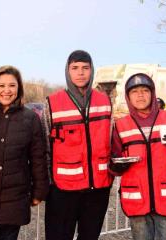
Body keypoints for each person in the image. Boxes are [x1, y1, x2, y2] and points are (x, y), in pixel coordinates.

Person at [110, 73, 166, 240]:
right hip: (137, 200)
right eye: (134, 91)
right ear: (128, 97)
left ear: (152, 94)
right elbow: (113, 159)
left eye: (145, 90)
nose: (140, 95)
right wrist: (116, 167)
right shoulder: (120, 125)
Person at [0, 66, 49, 240]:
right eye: (1, 85)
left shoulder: (30, 119)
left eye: (12, 85)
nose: (7, 91)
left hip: (15, 199)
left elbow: (38, 158)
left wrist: (39, 191)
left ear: (19, 88)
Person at [45, 50, 113, 240]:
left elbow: (111, 141)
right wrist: (49, 184)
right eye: (75, 68)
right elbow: (44, 147)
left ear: (92, 71)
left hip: (98, 189)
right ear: (68, 71)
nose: (80, 73)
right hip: (63, 190)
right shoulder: (52, 103)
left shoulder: (105, 102)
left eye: (85, 68)